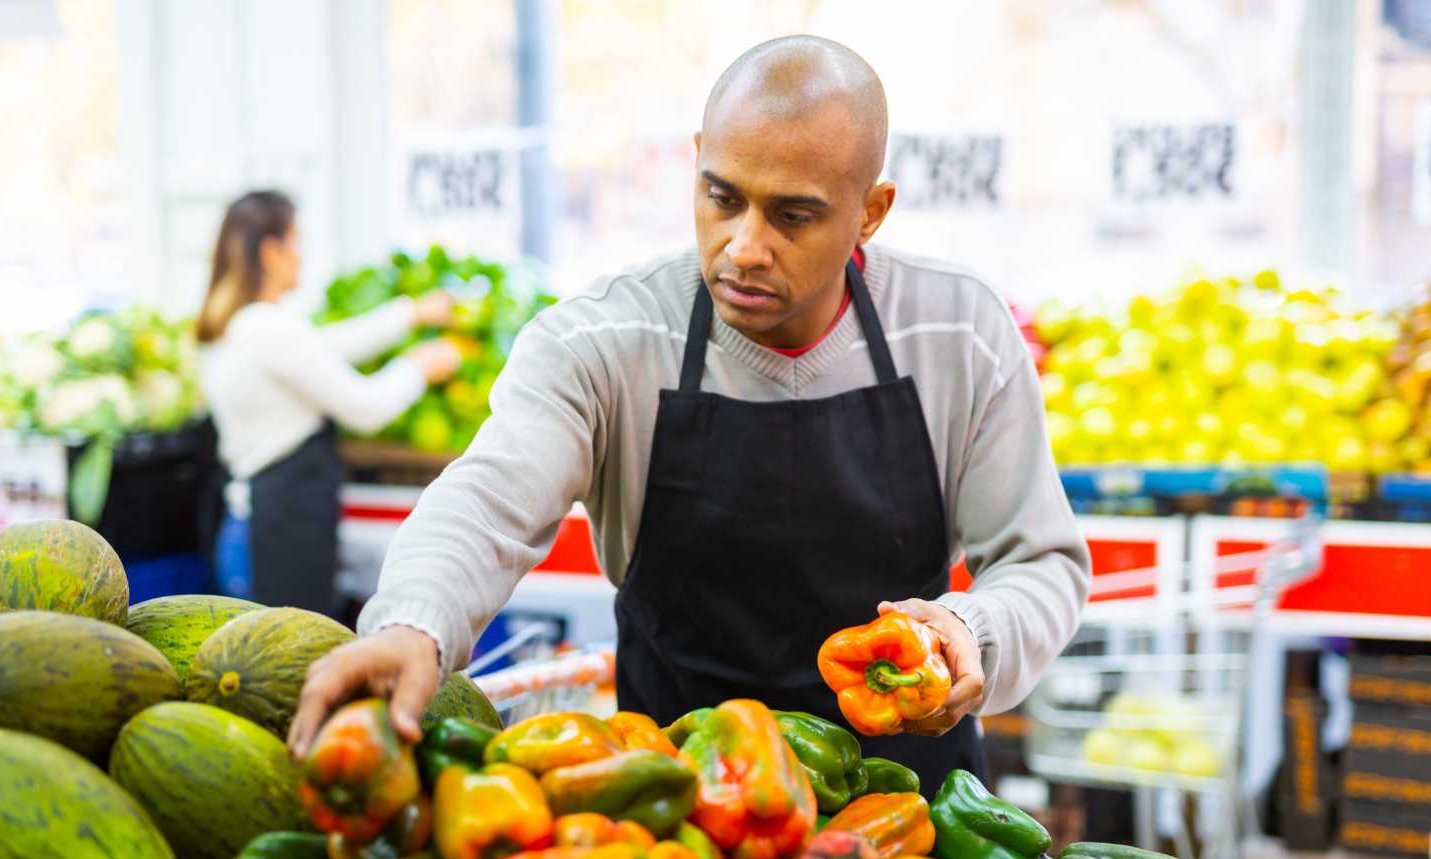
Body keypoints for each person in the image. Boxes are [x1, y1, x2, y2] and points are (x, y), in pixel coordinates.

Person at [288, 37, 1091, 790]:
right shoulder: (605, 340)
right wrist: (412, 624)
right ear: (698, 160)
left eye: (793, 215)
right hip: (679, 808)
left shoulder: (958, 331)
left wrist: (970, 628)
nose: (743, 244)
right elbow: (486, 500)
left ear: (870, 211)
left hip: (914, 813)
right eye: (722, 197)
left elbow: (1043, 563)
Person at [197, 190, 462, 615]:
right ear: (271, 251)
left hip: (263, 525)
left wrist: (409, 314)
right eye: (297, 240)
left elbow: (325, 348)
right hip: (278, 533)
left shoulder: (242, 323)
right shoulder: (265, 327)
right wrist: (418, 367)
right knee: (289, 667)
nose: (303, 255)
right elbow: (364, 408)